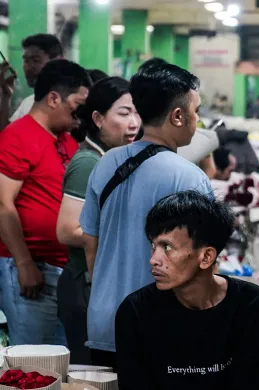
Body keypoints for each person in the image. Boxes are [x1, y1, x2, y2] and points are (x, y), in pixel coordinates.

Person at [79, 60, 213, 369]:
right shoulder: (190, 178)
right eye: (196, 111)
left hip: (104, 322)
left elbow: (90, 245)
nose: (198, 119)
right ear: (178, 116)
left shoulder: (106, 162)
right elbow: (201, 264)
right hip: (163, 327)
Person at [115, 191, 259, 389]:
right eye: (153, 246)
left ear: (206, 257)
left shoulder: (257, 308)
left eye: (167, 247)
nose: (154, 259)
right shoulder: (136, 312)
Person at [0, 59, 91, 345]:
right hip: (29, 268)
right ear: (53, 98)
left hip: (62, 271)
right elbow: (2, 204)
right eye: (77, 103)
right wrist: (24, 263)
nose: (81, 113)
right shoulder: (18, 137)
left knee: (63, 359)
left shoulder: (66, 140)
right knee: (35, 364)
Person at [56, 77, 140, 364]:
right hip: (83, 286)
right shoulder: (88, 163)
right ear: (98, 118)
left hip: (99, 283)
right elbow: (67, 231)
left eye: (137, 113)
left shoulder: (113, 158)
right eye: (124, 112)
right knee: (91, 374)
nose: (134, 123)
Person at [0, 34, 63, 129]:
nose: (29, 67)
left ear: (58, 62)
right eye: (26, 61)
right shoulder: (29, 102)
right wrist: (6, 96)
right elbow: (7, 136)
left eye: (36, 60)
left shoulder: (69, 103)